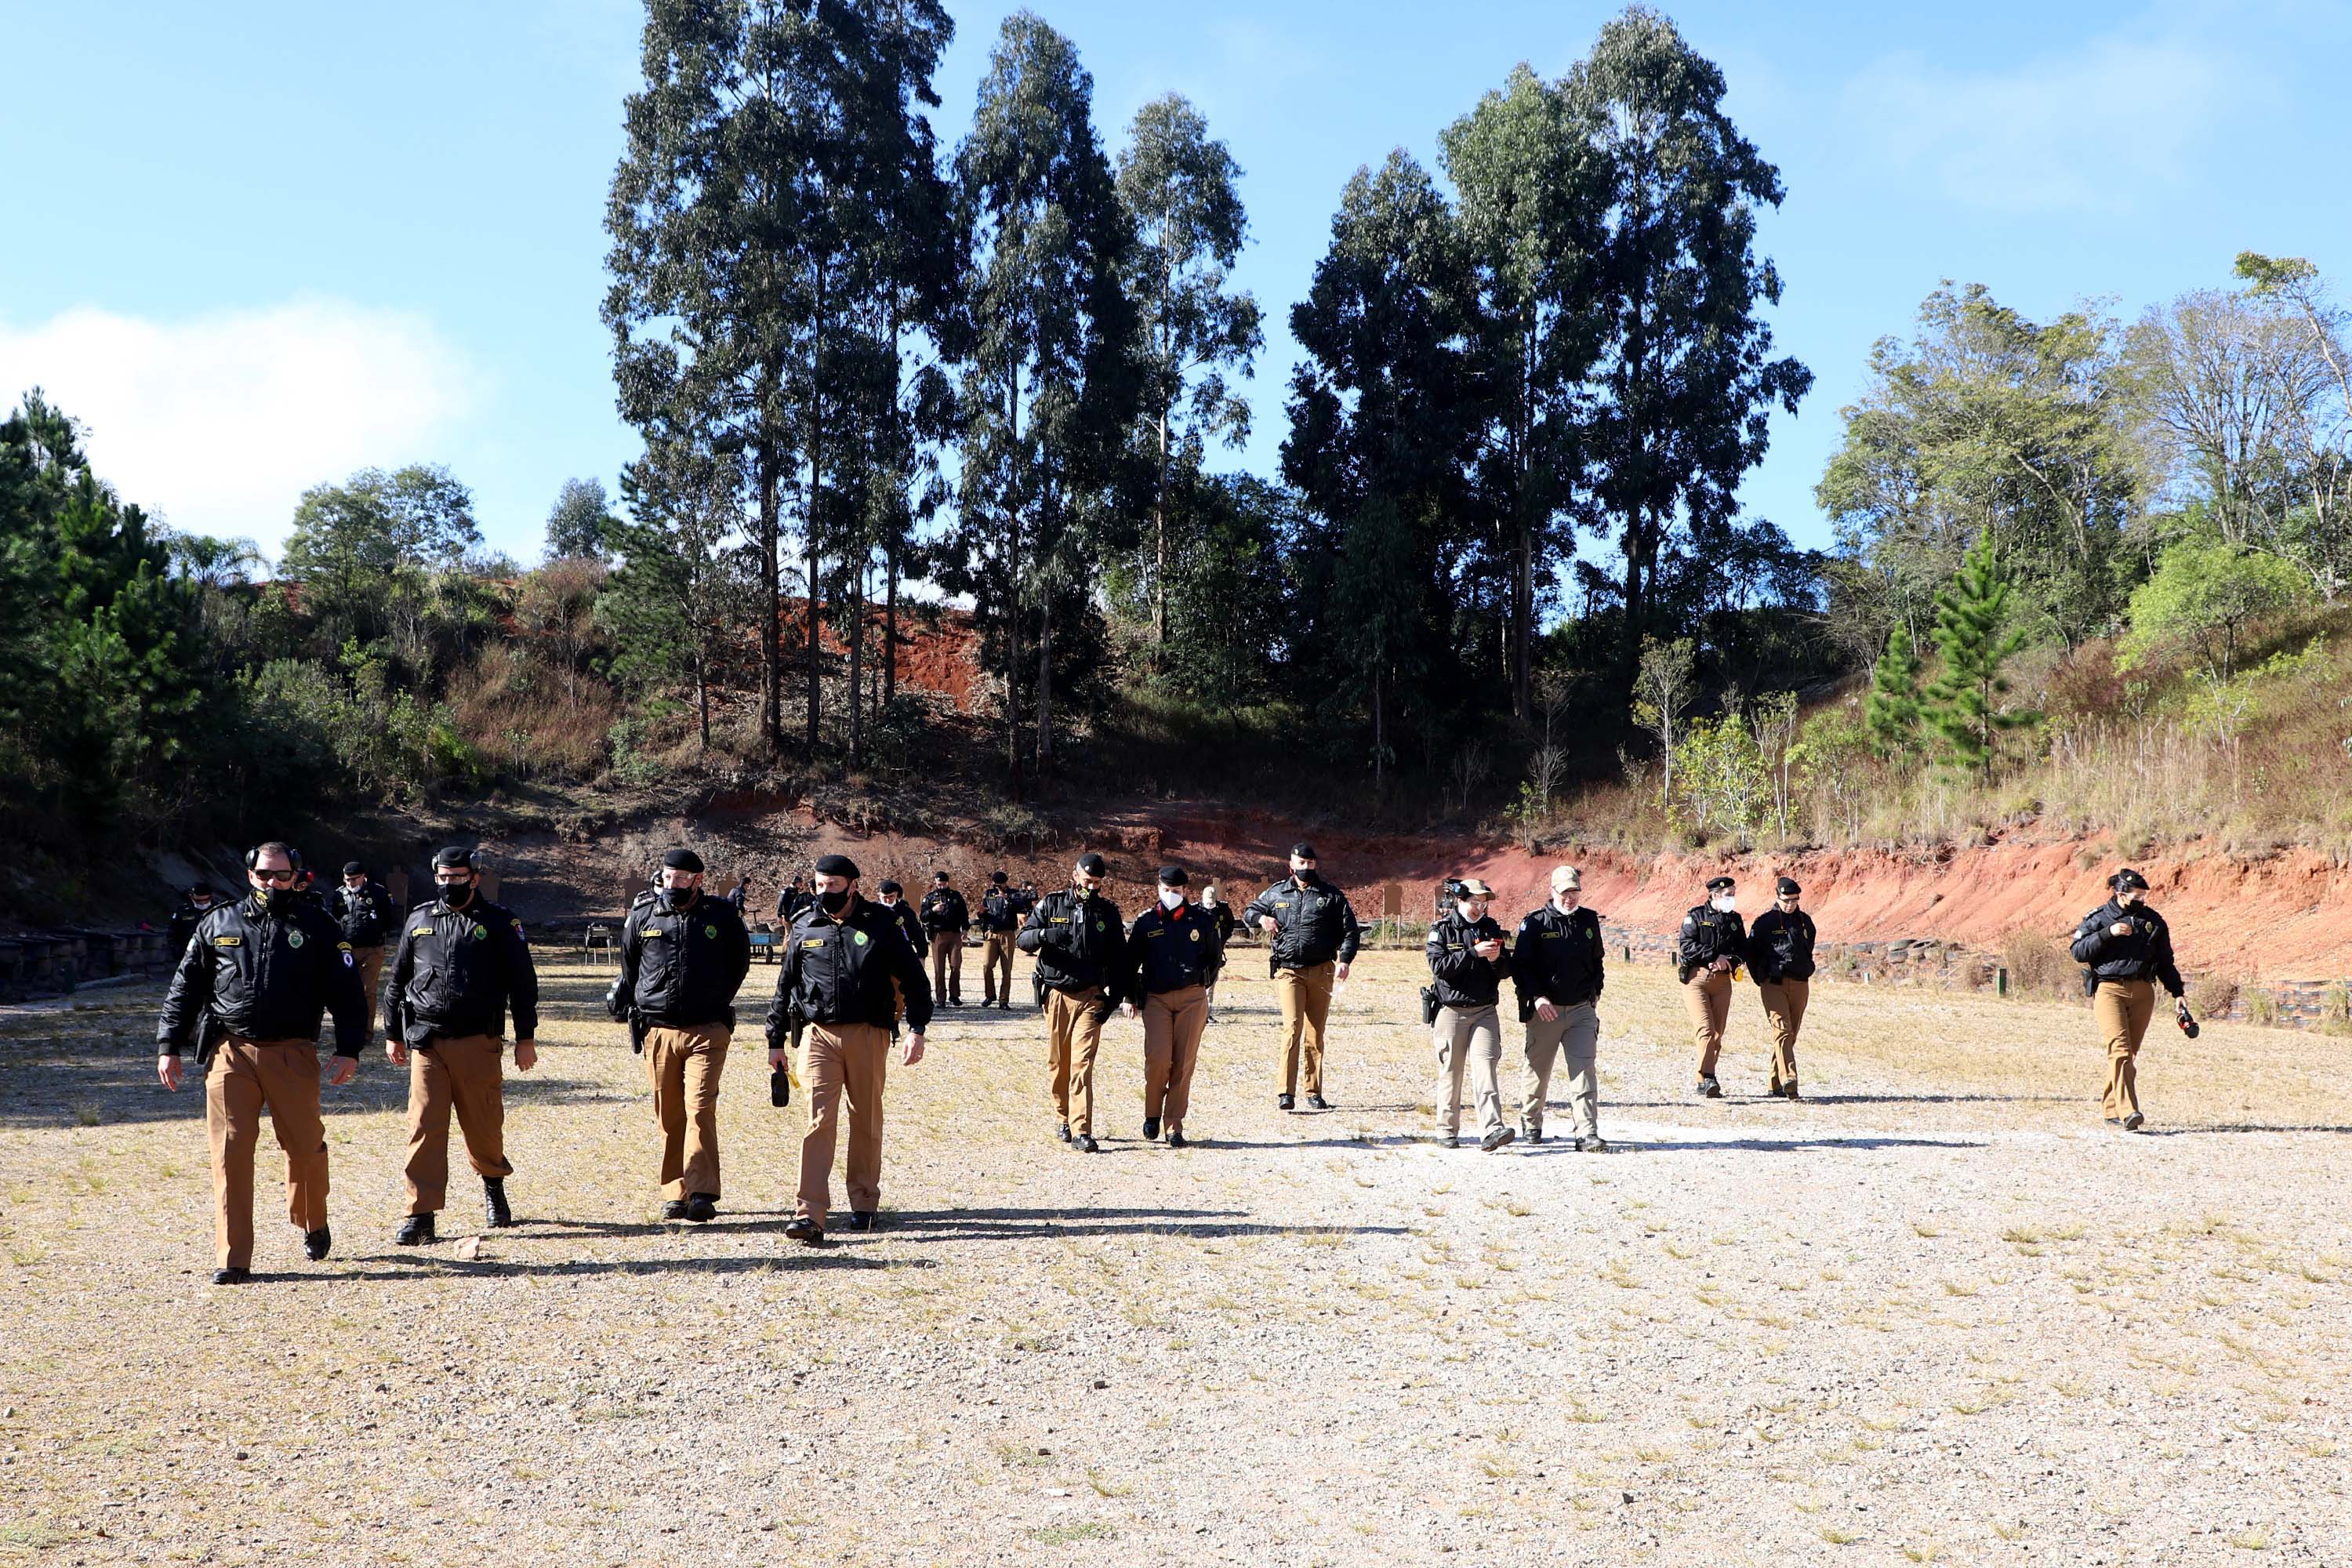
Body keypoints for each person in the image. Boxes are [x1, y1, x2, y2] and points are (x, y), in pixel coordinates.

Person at [155, 842, 368, 1285]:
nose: (273, 883)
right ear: (250, 874)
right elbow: (186, 987)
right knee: (230, 1152)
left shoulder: (318, 925)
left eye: (282, 875)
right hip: (230, 1052)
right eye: (264, 875)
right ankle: (233, 1257)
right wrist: (168, 1044)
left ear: (297, 876)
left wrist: (349, 1048)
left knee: (305, 1148)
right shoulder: (219, 922)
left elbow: (348, 995)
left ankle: (313, 1219)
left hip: (292, 1051)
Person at [765, 854, 931, 1242]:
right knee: (819, 1119)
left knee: (866, 1118)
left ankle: (864, 1202)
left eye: (834, 886)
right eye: (820, 885)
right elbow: (785, 985)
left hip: (868, 1033)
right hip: (819, 1033)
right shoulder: (806, 924)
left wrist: (917, 1028)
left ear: (853, 885)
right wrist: (775, 1039)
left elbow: (913, 978)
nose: (826, 893)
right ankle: (809, 1214)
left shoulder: (882, 924)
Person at [381, 848, 540, 1243]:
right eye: (443, 877)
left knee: (483, 1125)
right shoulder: (419, 919)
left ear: (475, 877)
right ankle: (420, 1214)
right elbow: (398, 979)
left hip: (477, 1040)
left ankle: (493, 1187)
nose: (449, 884)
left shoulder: (500, 922)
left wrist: (525, 1038)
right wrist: (391, 1033)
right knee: (424, 1127)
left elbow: (523, 983)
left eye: (457, 877)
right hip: (427, 1041)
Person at [608, 848, 751, 1221]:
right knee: (669, 1114)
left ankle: (702, 1192)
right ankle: (676, 1192)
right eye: (668, 877)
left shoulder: (721, 916)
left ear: (698, 880)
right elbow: (631, 967)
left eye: (682, 878)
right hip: (659, 1031)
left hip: (708, 1029)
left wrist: (714, 1000)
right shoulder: (643, 916)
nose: (673, 884)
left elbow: (739, 963)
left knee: (700, 1109)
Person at [1017, 853, 1126, 1152]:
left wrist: (1115, 998)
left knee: (1082, 1064)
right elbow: (1022, 939)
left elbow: (1121, 959)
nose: (1092, 888)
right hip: (1058, 996)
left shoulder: (1107, 912)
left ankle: (1082, 1130)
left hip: (1091, 997)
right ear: (1075, 876)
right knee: (1059, 1063)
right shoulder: (1052, 904)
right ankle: (1062, 1118)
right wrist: (1045, 934)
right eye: (1088, 881)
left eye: (1098, 884)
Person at [2069, 869, 2190, 1131]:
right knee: (2120, 1050)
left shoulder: (2153, 921)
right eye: (2137, 897)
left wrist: (2177, 993)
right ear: (2120, 893)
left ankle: (2111, 1109)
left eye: (2144, 897)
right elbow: (2077, 951)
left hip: (2143, 992)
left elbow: (2165, 962)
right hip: (2109, 990)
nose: (2142, 901)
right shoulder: (2099, 918)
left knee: (2127, 1054)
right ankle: (2129, 1112)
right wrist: (2107, 933)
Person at [1243, 842, 1361, 1111]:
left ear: (1315, 865)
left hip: (1321, 970)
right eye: (1301, 863)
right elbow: (1249, 912)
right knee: (1292, 1027)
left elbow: (1350, 931)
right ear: (1291, 865)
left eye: (1310, 863)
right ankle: (1285, 1092)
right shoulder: (1276, 892)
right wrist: (1262, 919)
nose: (1305, 868)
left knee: (1315, 1033)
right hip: (1289, 971)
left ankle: (1313, 1091)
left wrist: (1345, 960)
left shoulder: (1330, 896)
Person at [1122, 865, 1224, 1147]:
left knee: (1183, 1064)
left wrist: (1202, 984)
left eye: (1176, 891)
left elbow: (1215, 957)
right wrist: (1130, 997)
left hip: (1192, 997)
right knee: (1158, 1059)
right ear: (1158, 889)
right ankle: (1152, 1114)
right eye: (1166, 890)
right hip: (1157, 998)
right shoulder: (1145, 923)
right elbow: (1131, 963)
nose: (1171, 895)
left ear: (1185, 892)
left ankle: (1174, 1125)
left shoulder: (1201, 920)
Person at [1512, 864, 1606, 1150]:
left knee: (1584, 1070)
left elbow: (1597, 961)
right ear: (1552, 891)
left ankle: (1586, 1132)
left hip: (1581, 1010)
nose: (1570, 898)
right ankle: (1531, 1122)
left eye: (1575, 892)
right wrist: (1537, 997)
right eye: (1565, 892)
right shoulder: (1536, 923)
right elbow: (1521, 967)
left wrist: (1595, 992)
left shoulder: (1589, 921)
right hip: (1546, 1011)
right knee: (1538, 1071)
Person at [1426, 878, 1515, 1151]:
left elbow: (1506, 971)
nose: (1479, 909)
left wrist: (1496, 959)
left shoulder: (1491, 928)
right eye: (1474, 903)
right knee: (1451, 1073)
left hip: (1485, 1011)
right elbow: (1440, 967)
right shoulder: (1441, 930)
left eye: (1483, 904)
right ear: (1460, 901)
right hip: (1451, 1011)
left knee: (1486, 1069)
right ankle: (1446, 1130)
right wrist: (1473, 953)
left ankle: (1492, 1129)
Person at [1746, 877, 1818, 1100]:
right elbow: (1751, 953)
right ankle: (1790, 1079)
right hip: (1773, 983)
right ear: (1777, 897)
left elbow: (1808, 947)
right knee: (1782, 1030)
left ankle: (1775, 1083)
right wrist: (1760, 978)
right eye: (1786, 900)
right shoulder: (1764, 923)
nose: (1790, 904)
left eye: (1794, 900)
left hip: (1799, 982)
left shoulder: (1805, 922)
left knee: (1791, 1033)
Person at [1678, 875, 1745, 1098]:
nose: (1732, 899)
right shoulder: (1696, 916)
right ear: (1715, 895)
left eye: (1733, 894)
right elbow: (1687, 946)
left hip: (1723, 982)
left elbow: (1743, 949)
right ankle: (1708, 1076)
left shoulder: (1735, 920)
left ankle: (1704, 1079)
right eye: (1728, 895)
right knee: (1705, 1030)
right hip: (1697, 980)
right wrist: (1713, 956)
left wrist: (1730, 960)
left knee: (1717, 1034)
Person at [328, 861, 397, 1025]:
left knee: (367, 991)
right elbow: (334, 920)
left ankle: (366, 1031)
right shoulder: (339, 895)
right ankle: (348, 1027)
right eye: (347, 880)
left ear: (363, 877)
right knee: (346, 990)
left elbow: (389, 920)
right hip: (347, 950)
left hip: (372, 949)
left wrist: (377, 933)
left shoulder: (379, 893)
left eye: (354, 879)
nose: (350, 883)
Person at [920, 870, 971, 1008]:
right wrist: (933, 910)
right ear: (935, 883)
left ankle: (954, 995)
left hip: (954, 934)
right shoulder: (930, 898)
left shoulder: (956, 896)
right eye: (938, 884)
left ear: (947, 882)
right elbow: (923, 917)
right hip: (937, 935)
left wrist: (965, 929)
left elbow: (964, 914)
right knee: (939, 968)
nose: (941, 886)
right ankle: (940, 998)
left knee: (956, 965)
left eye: (943, 883)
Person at [978, 871, 1020, 1009]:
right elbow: (983, 913)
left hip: (1007, 934)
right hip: (991, 933)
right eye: (994, 884)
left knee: (1006, 969)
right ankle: (990, 995)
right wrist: (981, 913)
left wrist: (1007, 898)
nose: (996, 887)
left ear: (1005, 883)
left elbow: (1021, 907)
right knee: (987, 965)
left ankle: (1004, 1000)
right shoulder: (989, 894)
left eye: (999, 885)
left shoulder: (1014, 894)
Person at [1197, 881, 1236, 1022]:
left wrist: (1221, 941)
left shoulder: (1223, 909)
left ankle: (1207, 1014)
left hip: (1215, 953)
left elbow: (1230, 925)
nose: (1209, 906)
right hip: (1198, 954)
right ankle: (1196, 1014)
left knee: (1211, 984)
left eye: (1211, 904)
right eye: (1207, 903)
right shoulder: (1195, 910)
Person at [874, 880, 926, 956]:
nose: (888, 900)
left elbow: (917, 934)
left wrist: (922, 955)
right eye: (884, 897)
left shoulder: (906, 911)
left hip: (902, 953)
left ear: (896, 894)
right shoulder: (873, 911)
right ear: (879, 895)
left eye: (891, 896)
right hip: (879, 954)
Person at [168, 884, 219, 958]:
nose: (203, 903)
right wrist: (177, 951)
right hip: (187, 955)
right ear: (192, 897)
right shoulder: (183, 911)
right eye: (199, 901)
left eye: (206, 900)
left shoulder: (220, 911)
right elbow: (172, 933)